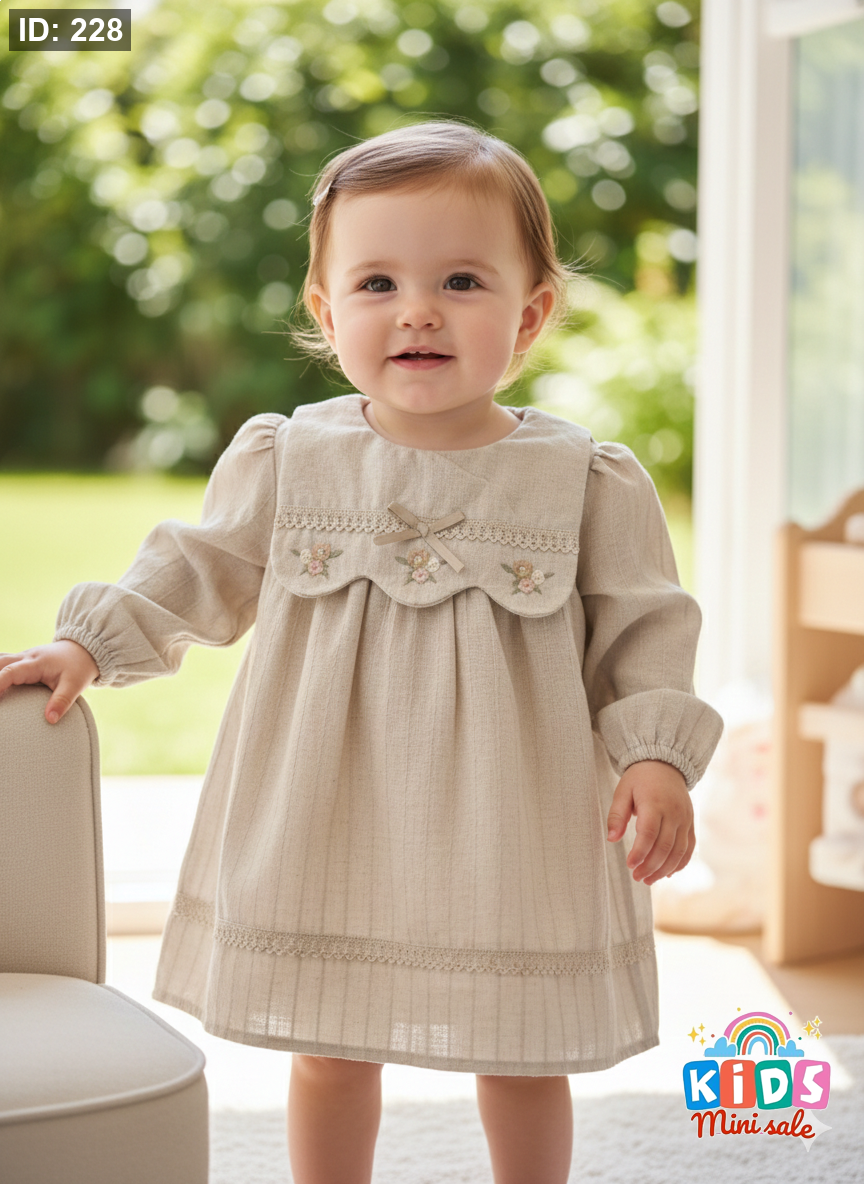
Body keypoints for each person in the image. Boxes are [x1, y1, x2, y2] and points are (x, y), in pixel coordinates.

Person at [0, 120, 724, 1184]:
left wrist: (656, 755)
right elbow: (199, 567)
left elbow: (645, 626)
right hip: (327, 805)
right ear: (326, 310)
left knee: (523, 1047)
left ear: (530, 314)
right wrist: (91, 644)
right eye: (378, 282)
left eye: (461, 281)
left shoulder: (583, 478)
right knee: (330, 1041)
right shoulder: (291, 456)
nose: (418, 310)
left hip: (513, 816)